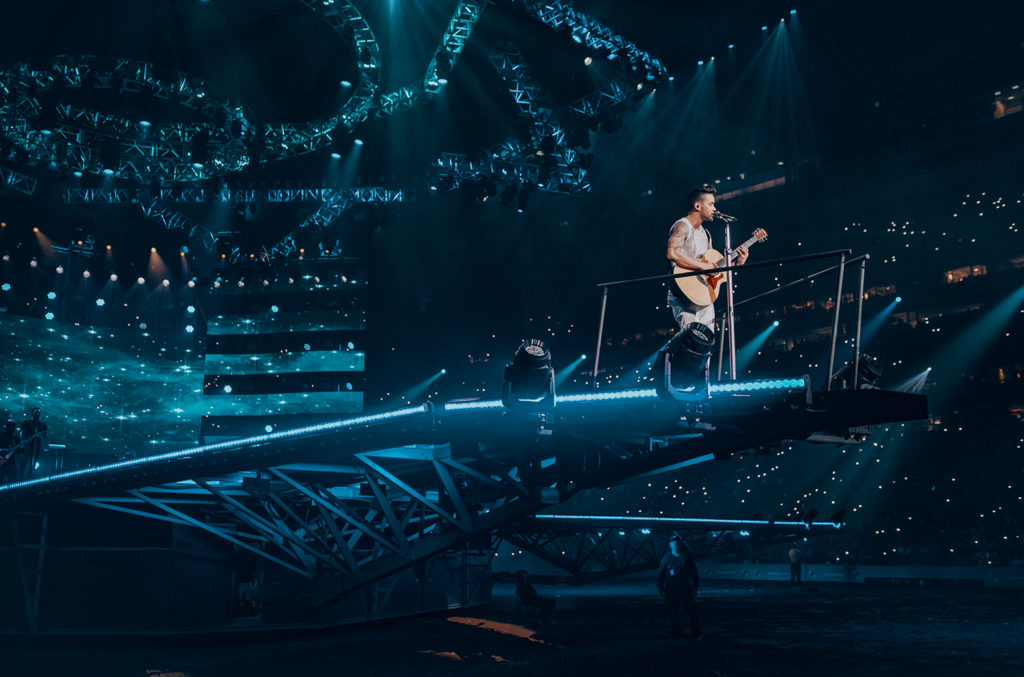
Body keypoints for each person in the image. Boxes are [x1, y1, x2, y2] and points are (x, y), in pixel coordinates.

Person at [666, 184, 749, 330]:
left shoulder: (706, 234)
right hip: (684, 291)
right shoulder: (682, 226)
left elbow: (715, 271)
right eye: (711, 204)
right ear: (697, 206)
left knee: (707, 340)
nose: (715, 209)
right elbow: (672, 253)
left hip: (704, 294)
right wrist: (704, 266)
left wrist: (738, 264)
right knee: (691, 338)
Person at [656, 535, 702, 639]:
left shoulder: (686, 558)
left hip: (684, 589)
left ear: (680, 544)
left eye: (677, 542)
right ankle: (676, 632)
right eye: (674, 542)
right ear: (670, 544)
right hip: (671, 590)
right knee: (673, 612)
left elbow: (694, 573)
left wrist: (695, 587)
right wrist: (660, 587)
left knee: (691, 611)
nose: (676, 544)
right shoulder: (666, 558)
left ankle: (695, 632)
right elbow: (661, 574)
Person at [19, 407, 47, 481]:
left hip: (37, 446)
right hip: (27, 445)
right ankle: (19, 478)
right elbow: (22, 433)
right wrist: (22, 443)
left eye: (38, 412)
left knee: (34, 462)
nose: (37, 413)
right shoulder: (27, 422)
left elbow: (45, 436)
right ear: (32, 413)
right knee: (24, 461)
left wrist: (42, 434)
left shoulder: (42, 425)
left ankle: (30, 478)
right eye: (36, 412)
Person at [0, 417, 20, 484]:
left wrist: (22, 447)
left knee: (12, 479)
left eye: (13, 426)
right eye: (10, 426)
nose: (12, 428)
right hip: (2, 460)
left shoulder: (15, 437)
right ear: (7, 426)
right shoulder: (1, 435)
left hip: (11, 462)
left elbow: (18, 451)